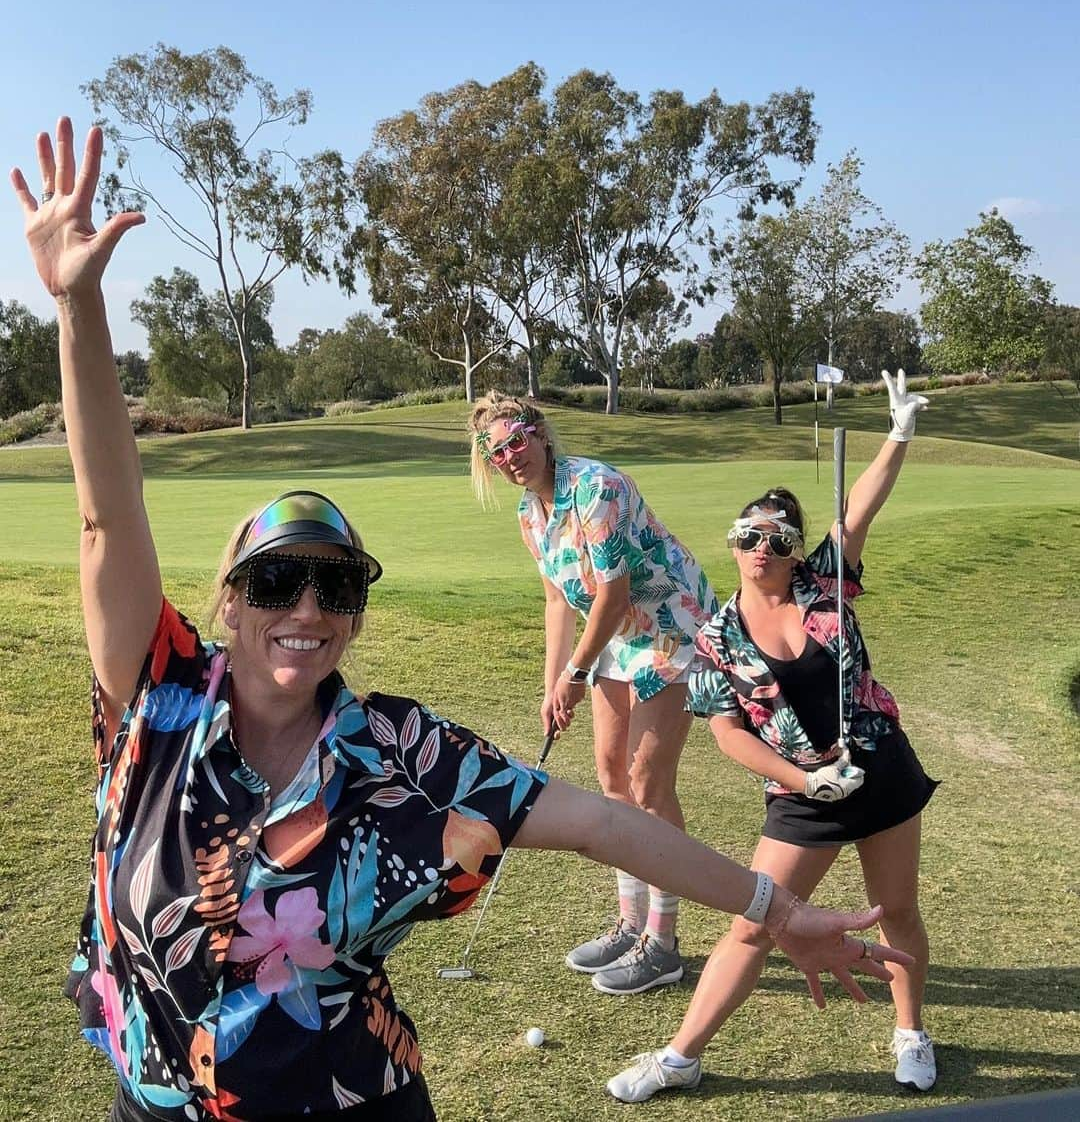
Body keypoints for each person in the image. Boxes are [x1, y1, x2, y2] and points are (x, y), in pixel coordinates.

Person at [13, 119, 913, 1122]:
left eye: (336, 586)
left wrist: (777, 910)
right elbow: (106, 517)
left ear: (355, 611)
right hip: (153, 1105)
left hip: (357, 1104)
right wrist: (77, 304)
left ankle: (644, 941)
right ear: (229, 599)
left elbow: (603, 824)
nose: (306, 609)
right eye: (275, 583)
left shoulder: (399, 748)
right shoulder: (159, 694)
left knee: (631, 780)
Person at [605, 372, 940, 1104]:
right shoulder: (713, 636)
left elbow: (857, 509)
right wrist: (805, 782)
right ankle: (681, 1056)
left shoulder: (826, 583)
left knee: (899, 911)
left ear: (795, 550)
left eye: (777, 538)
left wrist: (899, 433)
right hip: (803, 794)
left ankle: (910, 1031)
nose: (762, 547)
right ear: (733, 545)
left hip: (881, 769)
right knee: (752, 926)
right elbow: (727, 733)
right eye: (749, 536)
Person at [469, 394, 719, 995]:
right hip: (617, 636)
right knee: (611, 777)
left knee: (646, 780)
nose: (510, 457)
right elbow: (560, 599)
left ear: (542, 435)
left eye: (517, 441)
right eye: (496, 451)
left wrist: (576, 675)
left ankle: (663, 942)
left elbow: (612, 592)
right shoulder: (531, 514)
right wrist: (553, 681)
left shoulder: (595, 487)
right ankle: (631, 921)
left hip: (669, 625)